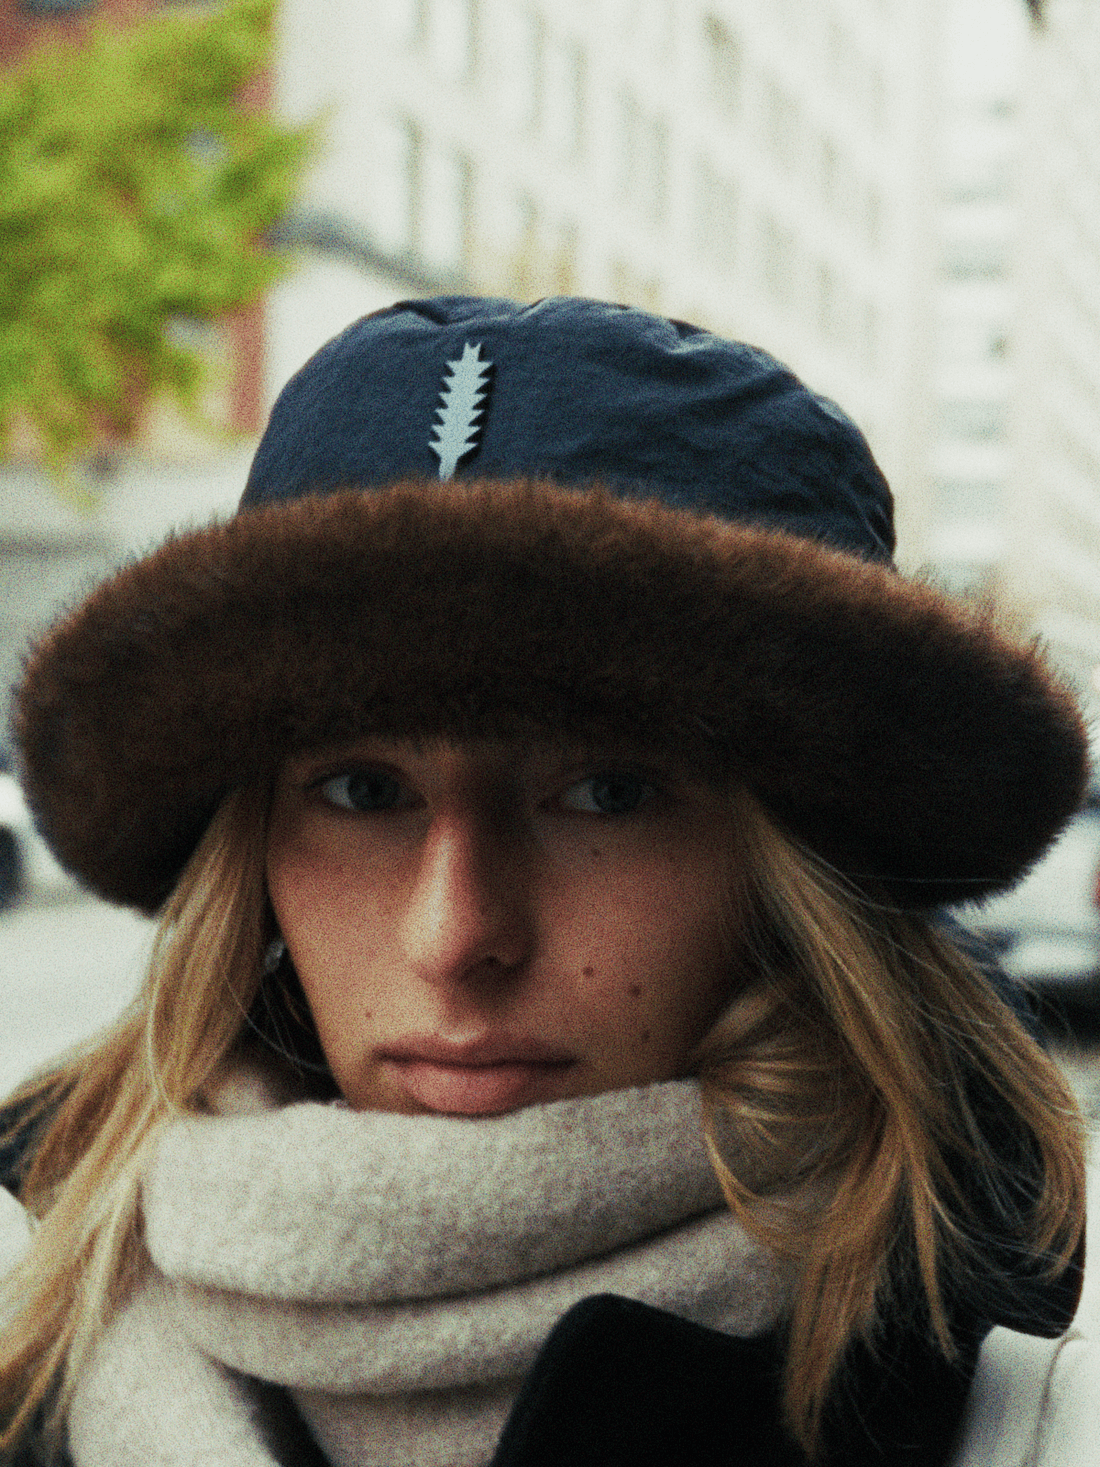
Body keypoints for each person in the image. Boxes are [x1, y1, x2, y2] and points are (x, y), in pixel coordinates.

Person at [0, 295, 1091, 1467]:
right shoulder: (25, 1321)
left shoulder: (1032, 1429)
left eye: (606, 793)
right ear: (251, 852)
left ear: (796, 871)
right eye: (363, 791)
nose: (453, 933)